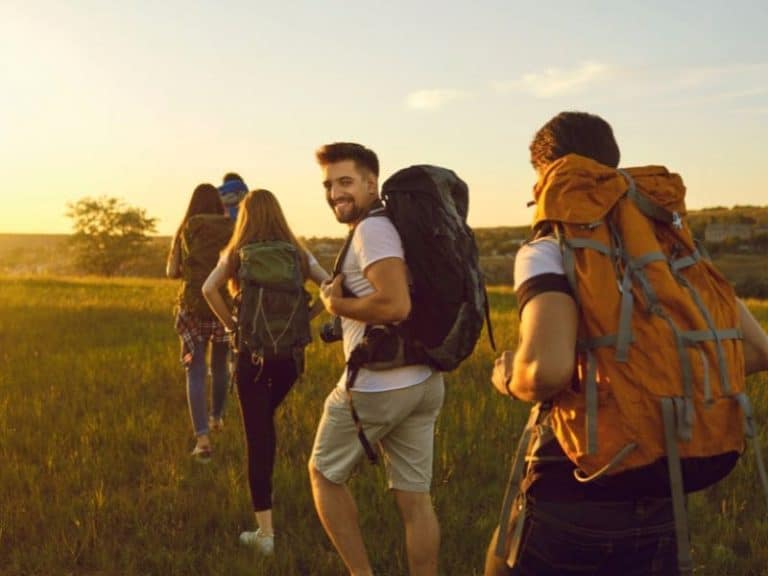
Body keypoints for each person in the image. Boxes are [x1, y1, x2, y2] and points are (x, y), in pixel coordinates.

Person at [484, 111, 768, 576]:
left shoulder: (548, 246)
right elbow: (757, 351)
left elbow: (547, 371)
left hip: (574, 480)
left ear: (549, 176)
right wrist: (661, 377)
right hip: (666, 488)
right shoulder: (671, 250)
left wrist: (508, 376)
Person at [309, 142, 445, 576]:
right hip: (422, 380)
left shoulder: (373, 230)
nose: (335, 194)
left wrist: (336, 307)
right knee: (414, 497)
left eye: (345, 182)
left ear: (372, 183)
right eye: (329, 185)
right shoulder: (396, 226)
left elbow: (395, 305)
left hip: (377, 385)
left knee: (323, 475)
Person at [202, 188, 330, 555]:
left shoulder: (238, 254)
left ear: (245, 218)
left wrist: (231, 327)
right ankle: (267, 528)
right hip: (290, 359)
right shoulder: (297, 254)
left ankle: (266, 535)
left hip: (252, 358)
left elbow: (209, 288)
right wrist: (306, 319)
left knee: (258, 439)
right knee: (263, 423)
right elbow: (330, 286)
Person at [166, 183, 232, 462]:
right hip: (222, 305)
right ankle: (217, 418)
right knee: (220, 367)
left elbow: (172, 272)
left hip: (192, 306)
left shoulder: (187, 228)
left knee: (195, 371)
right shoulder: (232, 227)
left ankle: (202, 439)